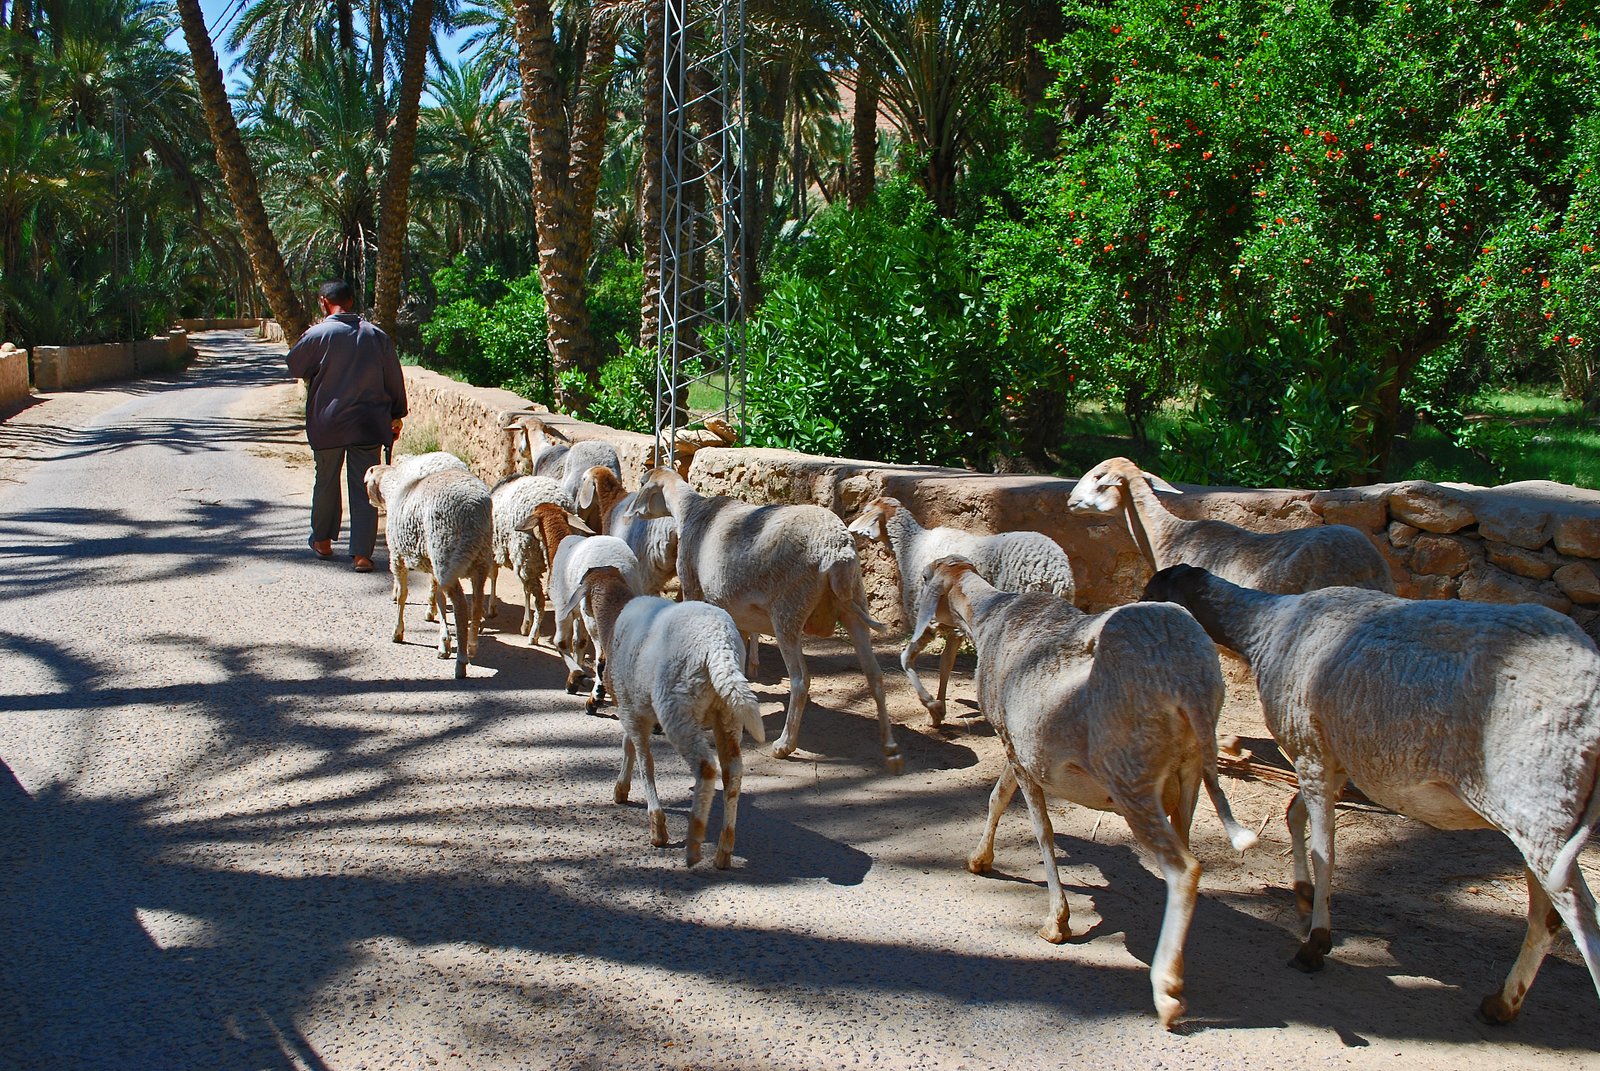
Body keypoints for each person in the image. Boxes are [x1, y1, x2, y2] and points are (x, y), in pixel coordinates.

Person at [286, 279, 407, 573]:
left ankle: (323, 541)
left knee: (326, 480)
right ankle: (362, 555)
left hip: (327, 423)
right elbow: (393, 377)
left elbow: (295, 366)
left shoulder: (318, 334)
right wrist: (396, 414)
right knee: (364, 485)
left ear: (323, 302)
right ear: (351, 301)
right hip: (367, 424)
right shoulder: (377, 336)